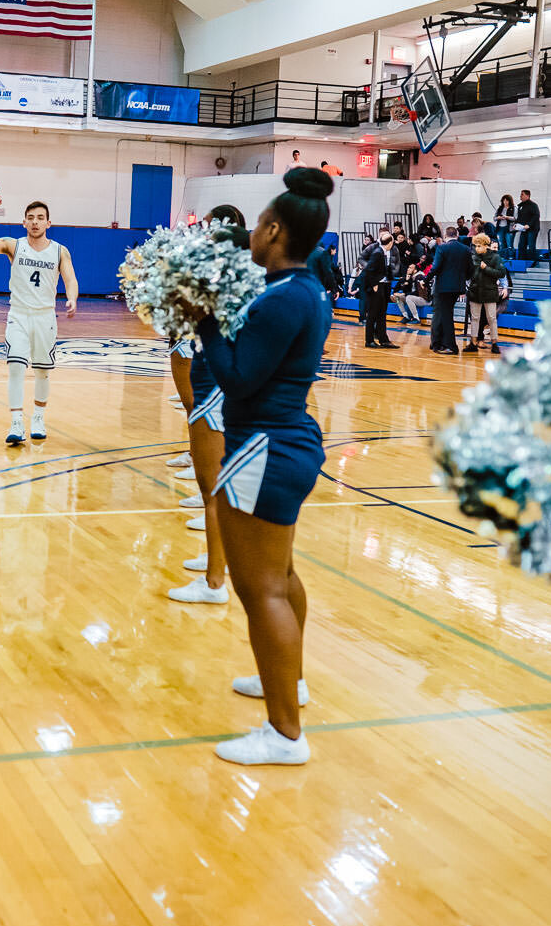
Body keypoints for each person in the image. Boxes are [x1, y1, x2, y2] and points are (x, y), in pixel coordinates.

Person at [197, 168, 333, 766]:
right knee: (283, 575)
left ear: (274, 231)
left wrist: (201, 317)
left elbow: (236, 377)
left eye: (257, 225)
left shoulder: (284, 300)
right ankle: (291, 682)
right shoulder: (300, 291)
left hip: (265, 448)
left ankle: (283, 733)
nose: (252, 232)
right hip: (285, 443)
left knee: (262, 592)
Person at [169, 203, 247, 607]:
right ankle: (216, 560)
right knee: (213, 485)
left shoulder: (226, 285)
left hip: (215, 388)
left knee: (214, 485)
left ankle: (216, 579)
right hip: (216, 384)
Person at [0, 186, 79, 444]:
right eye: (30, 218)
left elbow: (70, 278)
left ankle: (38, 417)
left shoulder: (59, 250)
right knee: (16, 368)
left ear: (48, 223)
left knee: (42, 371)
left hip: (45, 316)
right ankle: (17, 422)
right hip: (18, 315)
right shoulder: (13, 245)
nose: (35, 222)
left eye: (40, 218)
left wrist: (72, 298)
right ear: (23, 222)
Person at [428, 227, 472, 354]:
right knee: (445, 314)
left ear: (446, 236)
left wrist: (426, 280)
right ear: (457, 235)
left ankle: (451, 346)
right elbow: (470, 269)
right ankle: (440, 343)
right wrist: (463, 279)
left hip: (443, 287)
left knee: (444, 316)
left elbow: (435, 267)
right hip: (458, 287)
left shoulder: (442, 247)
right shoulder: (465, 249)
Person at [463, 233, 507, 354]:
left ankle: (494, 343)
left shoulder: (496, 257)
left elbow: (501, 273)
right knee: (475, 318)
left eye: (479, 246)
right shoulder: (473, 257)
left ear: (486, 246)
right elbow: (468, 274)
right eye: (475, 246)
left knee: (492, 318)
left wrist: (486, 268)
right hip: (475, 291)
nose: (476, 248)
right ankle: (473, 342)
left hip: (489, 292)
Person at [361, 233, 396, 348]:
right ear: (390, 242)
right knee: (372, 314)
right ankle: (369, 340)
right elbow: (369, 270)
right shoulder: (377, 253)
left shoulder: (384, 252)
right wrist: (374, 284)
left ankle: (383, 339)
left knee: (381, 314)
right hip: (376, 287)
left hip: (384, 285)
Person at [516, 189, 540, 262]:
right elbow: (519, 217)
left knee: (531, 245)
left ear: (528, 195)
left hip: (532, 228)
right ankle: (521, 261)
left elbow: (536, 216)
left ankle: (532, 261)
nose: (520, 196)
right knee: (521, 245)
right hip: (523, 229)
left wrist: (529, 225)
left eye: (522, 194)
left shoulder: (533, 205)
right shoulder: (520, 205)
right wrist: (516, 224)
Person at [495, 194, 517, 260]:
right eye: (504, 200)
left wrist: (507, 217)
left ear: (510, 201)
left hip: (509, 228)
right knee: (501, 244)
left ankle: (511, 258)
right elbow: (494, 218)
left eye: (507, 200)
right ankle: (502, 258)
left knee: (509, 244)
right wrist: (498, 217)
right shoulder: (500, 208)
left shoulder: (514, 208)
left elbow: (515, 218)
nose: (505, 202)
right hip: (500, 228)